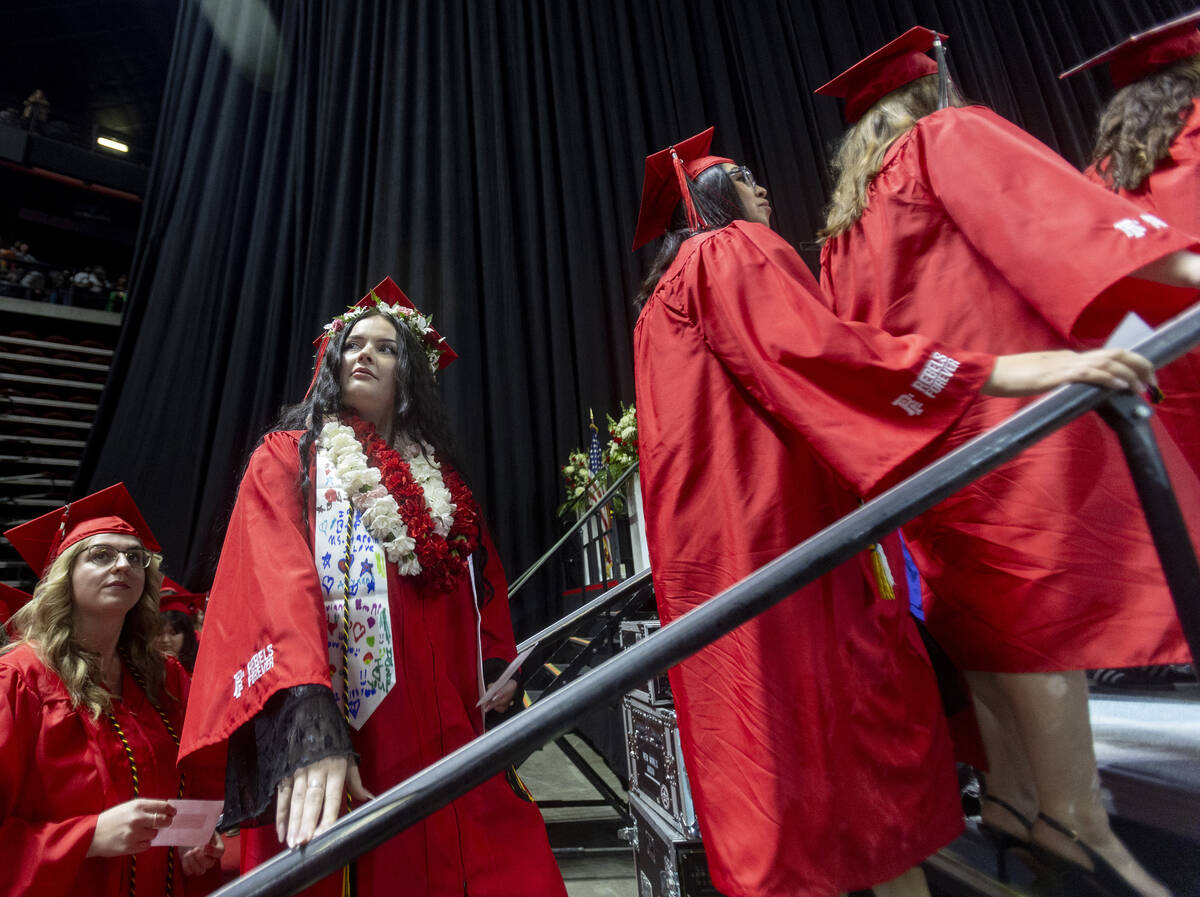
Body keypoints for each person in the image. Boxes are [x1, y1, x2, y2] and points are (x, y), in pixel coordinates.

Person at [631, 127, 1158, 897]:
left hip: (721, 570)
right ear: (710, 198)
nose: (763, 188)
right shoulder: (727, 252)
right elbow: (830, 356)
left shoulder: (657, 304)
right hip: (781, 551)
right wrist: (1010, 369)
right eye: (744, 175)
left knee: (780, 767)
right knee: (852, 746)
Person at [816, 27, 1200, 897]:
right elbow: (1058, 226)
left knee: (988, 622)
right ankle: (1076, 820)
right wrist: (1177, 268)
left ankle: (1016, 799)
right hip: (1017, 424)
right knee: (1040, 619)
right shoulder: (946, 138)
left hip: (938, 449)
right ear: (931, 89)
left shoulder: (846, 222)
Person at [179, 278, 566, 897]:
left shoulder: (444, 482)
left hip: (451, 726)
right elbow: (279, 587)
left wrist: (497, 660)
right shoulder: (290, 459)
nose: (363, 354)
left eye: (384, 348)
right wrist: (308, 719)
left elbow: (482, 582)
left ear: (409, 371)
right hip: (356, 730)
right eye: (351, 344)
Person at [0, 483, 223, 897]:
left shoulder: (165, 678)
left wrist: (198, 835)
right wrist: (89, 837)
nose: (122, 564)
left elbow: (202, 779)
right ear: (64, 576)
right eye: (101, 555)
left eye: (134, 557)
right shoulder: (18, 681)